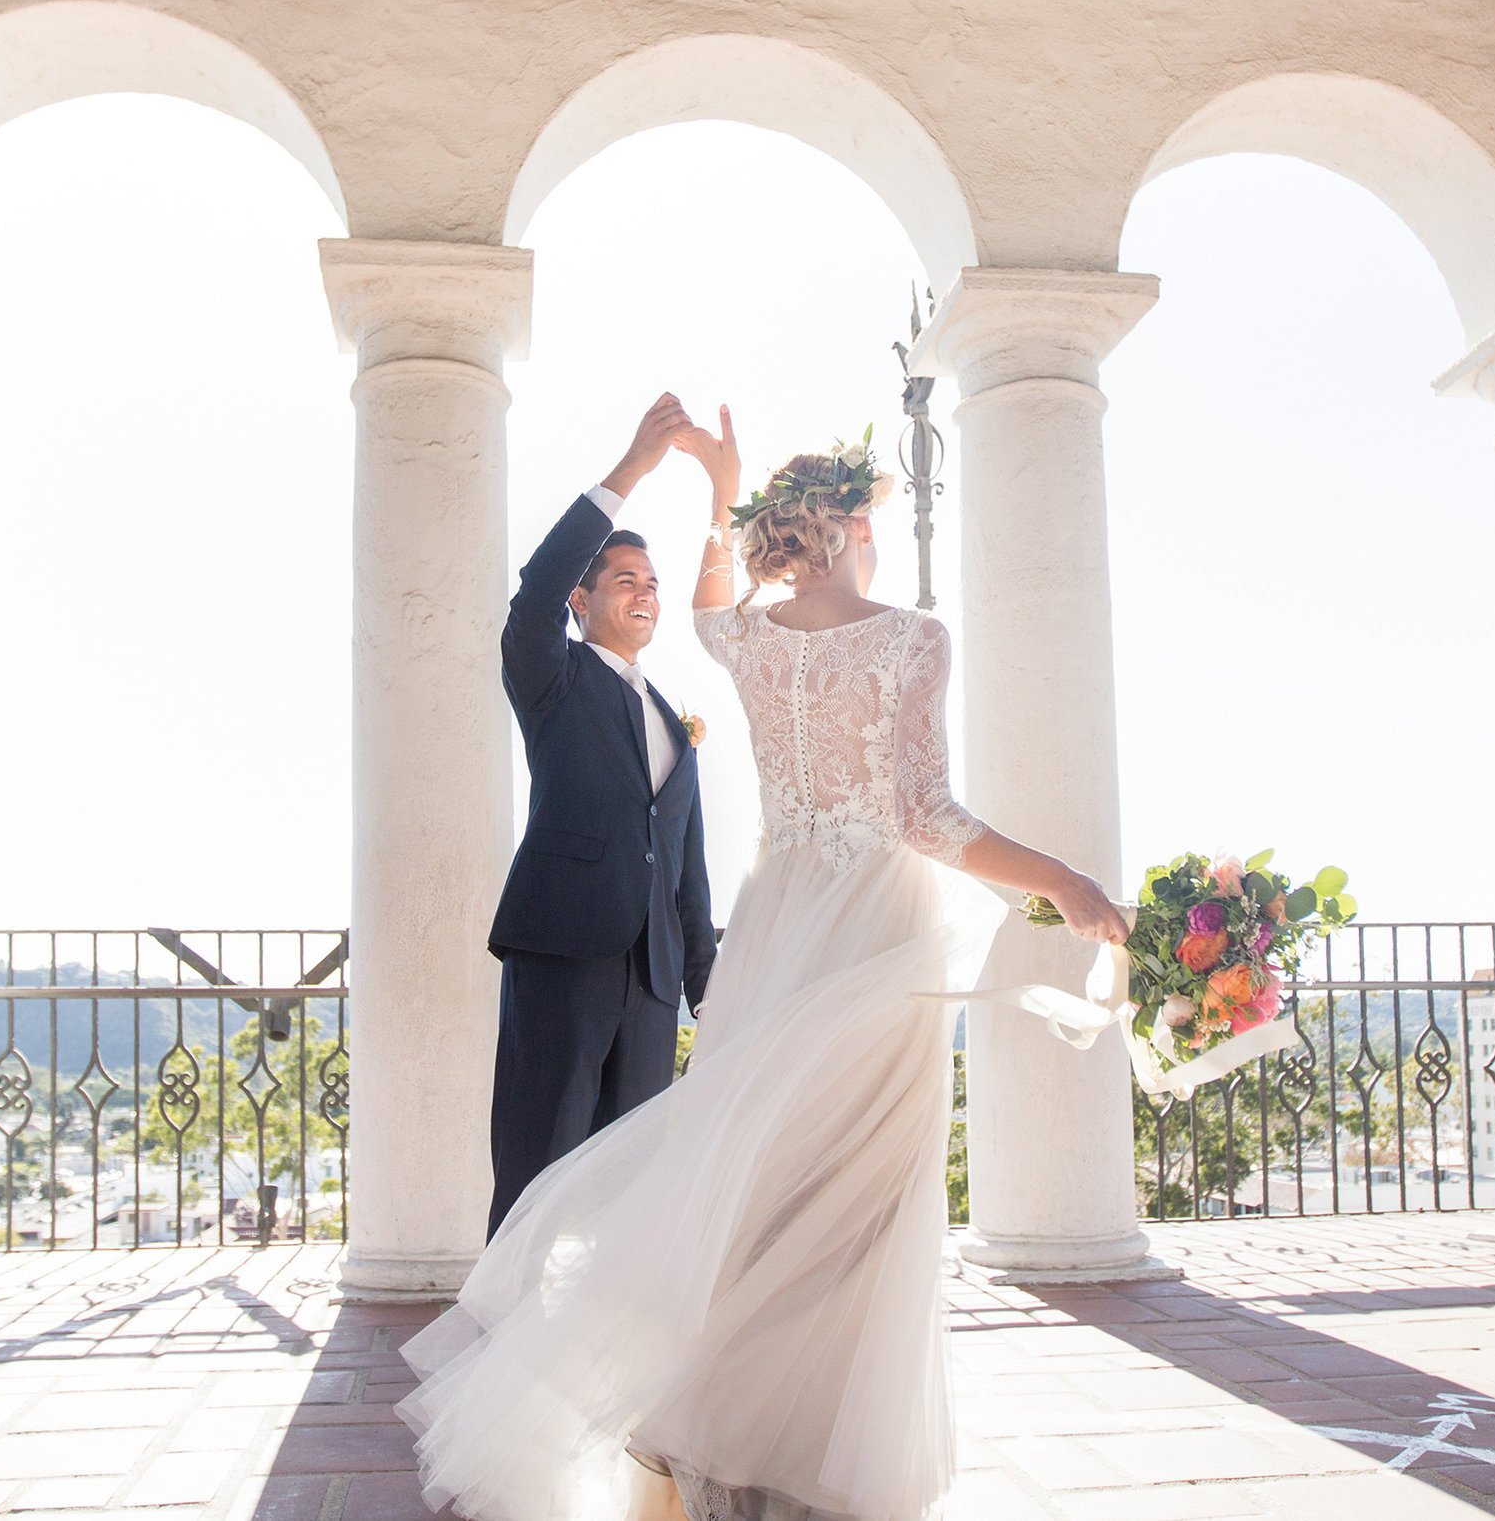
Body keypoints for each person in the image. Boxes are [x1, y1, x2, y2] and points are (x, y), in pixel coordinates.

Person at [401, 404, 1128, 1521]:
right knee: (856, 1204)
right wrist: (1061, 879)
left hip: (770, 933)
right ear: (840, 527)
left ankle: (703, 1439)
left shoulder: (742, 645)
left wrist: (717, 487)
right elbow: (926, 815)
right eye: (870, 516)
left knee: (747, 1196)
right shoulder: (911, 637)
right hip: (871, 935)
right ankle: (805, 1443)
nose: (880, 535)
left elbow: (704, 607)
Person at [482, 394, 717, 1236]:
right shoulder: (552, 679)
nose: (645, 594)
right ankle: (504, 1348)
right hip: (565, 955)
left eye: (652, 583)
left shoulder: (675, 725)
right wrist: (631, 470)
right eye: (625, 580)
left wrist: (706, 991)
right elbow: (534, 588)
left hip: (652, 986)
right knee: (537, 1175)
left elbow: (688, 875)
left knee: (634, 1195)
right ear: (583, 601)